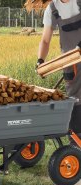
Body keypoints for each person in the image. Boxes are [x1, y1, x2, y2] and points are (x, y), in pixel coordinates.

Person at [33, 0, 81, 143]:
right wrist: (40, 60)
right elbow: (45, 40)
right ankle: (76, 145)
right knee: (75, 100)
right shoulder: (52, 9)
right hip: (70, 62)